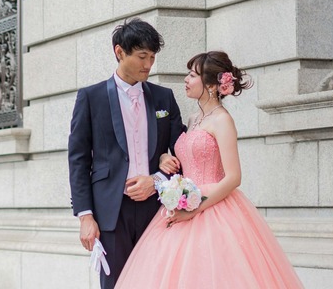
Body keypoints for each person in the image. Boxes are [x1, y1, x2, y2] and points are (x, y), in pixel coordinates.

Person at [114, 51, 305, 289]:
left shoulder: (222, 120)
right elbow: (186, 158)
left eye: (192, 75)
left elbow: (234, 177)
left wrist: (195, 208)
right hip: (182, 205)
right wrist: (165, 156)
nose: (186, 79)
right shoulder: (194, 118)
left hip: (214, 207)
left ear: (212, 85)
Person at [68, 18, 186, 289]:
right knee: (116, 284)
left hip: (157, 208)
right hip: (111, 213)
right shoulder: (91, 97)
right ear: (119, 52)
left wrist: (156, 180)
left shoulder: (163, 98)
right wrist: (85, 216)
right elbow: (78, 160)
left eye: (153, 57)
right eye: (142, 56)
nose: (148, 65)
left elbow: (183, 153)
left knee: (157, 282)